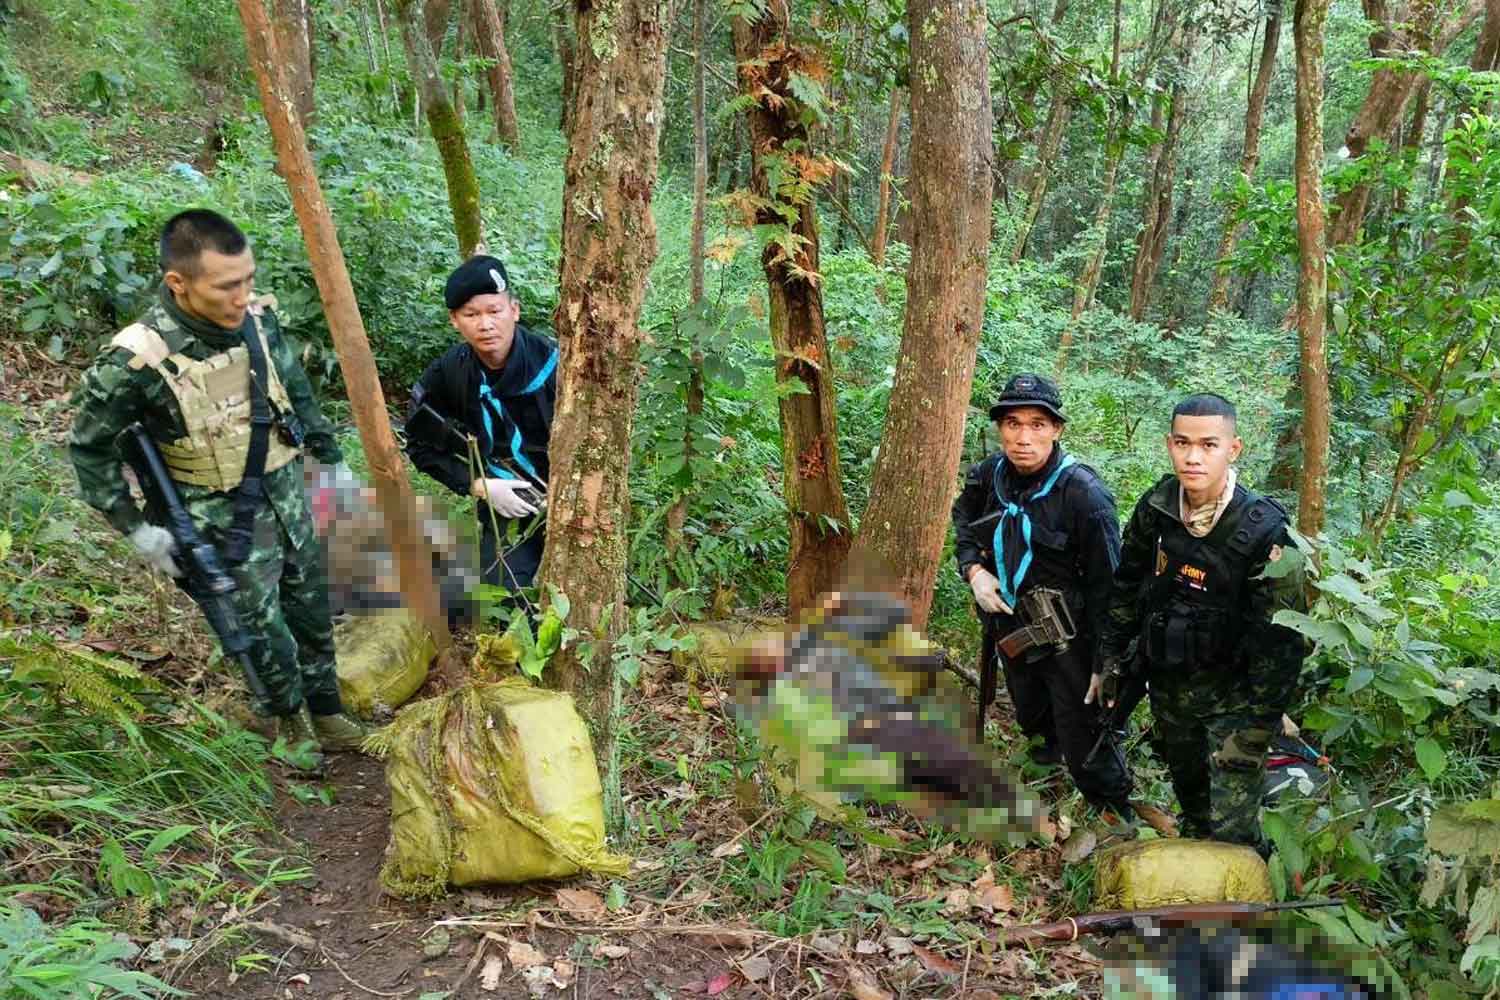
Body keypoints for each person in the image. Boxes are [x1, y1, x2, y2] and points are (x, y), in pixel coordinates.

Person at [69, 209, 369, 764]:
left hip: (285, 489)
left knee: (310, 604)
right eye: (227, 286)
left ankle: (327, 711)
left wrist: (330, 460)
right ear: (177, 283)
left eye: (248, 279)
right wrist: (137, 529)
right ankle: (290, 726)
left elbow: (293, 387)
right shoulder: (136, 359)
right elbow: (89, 450)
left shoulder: (256, 319)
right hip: (214, 514)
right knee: (259, 625)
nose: (242, 296)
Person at [1093, 393, 1307, 847]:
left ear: (1234, 449)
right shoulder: (1157, 507)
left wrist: (1256, 729)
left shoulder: (1266, 533)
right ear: (1169, 444)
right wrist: (1110, 657)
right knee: (1193, 810)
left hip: (1234, 702)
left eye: (1208, 445)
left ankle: (1242, 909)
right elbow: (1128, 585)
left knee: (1232, 831)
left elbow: (1283, 646)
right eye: (1182, 443)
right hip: (1169, 690)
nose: (1192, 457)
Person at [952, 373, 1133, 815]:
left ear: (1056, 429)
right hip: (1009, 622)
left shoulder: (1084, 495)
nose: (1023, 438)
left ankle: (1113, 811)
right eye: (1013, 423)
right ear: (1000, 428)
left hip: (1069, 636)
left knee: (1084, 733)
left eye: (1037, 424)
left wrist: (1105, 663)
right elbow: (963, 521)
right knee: (1031, 715)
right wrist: (974, 571)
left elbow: (1112, 585)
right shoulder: (988, 476)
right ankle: (1045, 774)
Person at [404, 255, 556, 597]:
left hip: (569, 498)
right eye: (471, 315)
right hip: (508, 500)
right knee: (504, 593)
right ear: (454, 320)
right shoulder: (449, 374)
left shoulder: (557, 364)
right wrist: (480, 486)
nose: (485, 325)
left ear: (514, 310)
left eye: (494, 311)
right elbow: (419, 445)